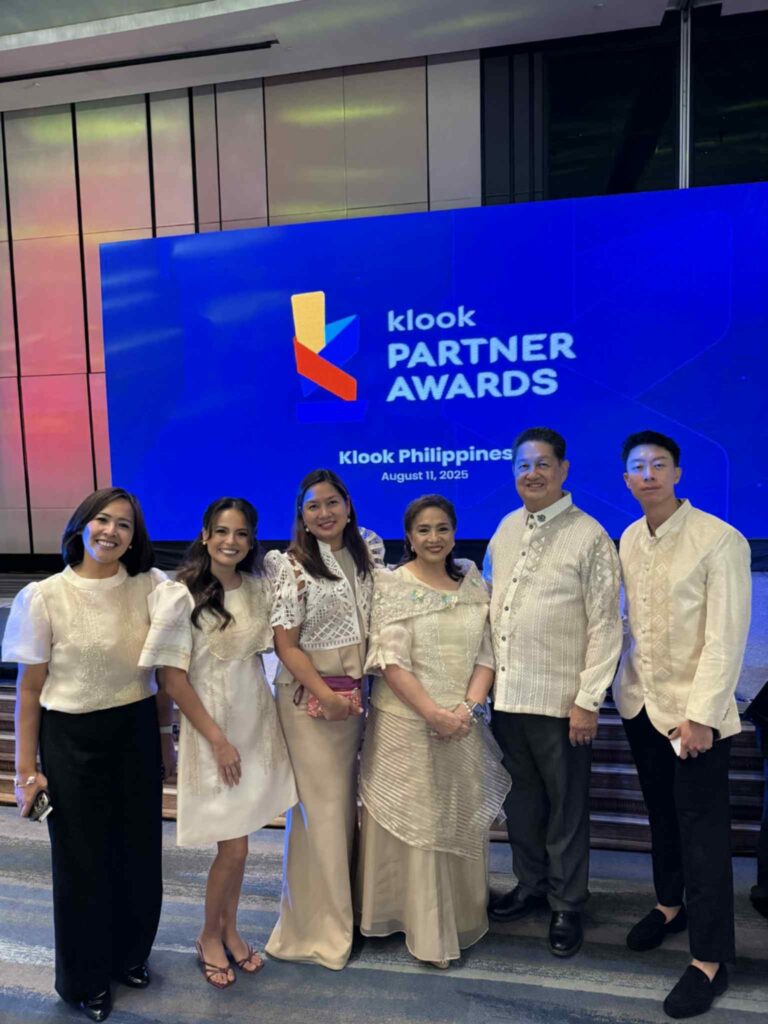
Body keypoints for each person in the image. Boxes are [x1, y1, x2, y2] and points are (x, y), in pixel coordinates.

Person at [2, 487, 173, 1023]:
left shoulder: (151, 585)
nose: (111, 532)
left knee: (138, 854)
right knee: (82, 864)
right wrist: (25, 772)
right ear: (81, 525)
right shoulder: (45, 596)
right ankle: (85, 981)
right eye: (103, 519)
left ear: (135, 537)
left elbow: (164, 672)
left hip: (135, 730)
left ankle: (129, 956)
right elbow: (30, 691)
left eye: (124, 524)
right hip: (71, 739)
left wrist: (164, 738)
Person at [614, 430, 752, 1019]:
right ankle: (671, 905)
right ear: (626, 480)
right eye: (637, 467)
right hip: (640, 704)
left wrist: (700, 717)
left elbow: (726, 638)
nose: (648, 475)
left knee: (703, 834)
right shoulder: (628, 537)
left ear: (677, 473)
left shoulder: (719, 539)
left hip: (695, 718)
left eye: (659, 465)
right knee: (662, 816)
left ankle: (711, 960)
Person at [138, 497, 297, 989]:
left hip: (255, 725)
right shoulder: (180, 595)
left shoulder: (257, 588)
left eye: (242, 533)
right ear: (205, 535)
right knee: (232, 848)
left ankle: (229, 928)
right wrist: (217, 740)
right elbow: (172, 679)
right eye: (222, 531)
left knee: (241, 844)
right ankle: (209, 934)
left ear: (251, 541)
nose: (232, 541)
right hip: (215, 732)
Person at [484, 427, 622, 957]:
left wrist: (588, 700)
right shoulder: (505, 528)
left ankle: (567, 903)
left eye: (543, 464)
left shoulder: (590, 535)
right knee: (521, 803)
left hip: (563, 704)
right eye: (523, 465)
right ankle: (531, 885)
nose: (532, 474)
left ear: (563, 470)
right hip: (507, 697)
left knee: (566, 808)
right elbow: (492, 603)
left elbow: (606, 624)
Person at [357, 495, 511, 967]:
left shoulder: (472, 581)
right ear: (409, 536)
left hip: (462, 724)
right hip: (407, 724)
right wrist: (434, 714)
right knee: (417, 820)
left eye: (442, 528)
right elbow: (391, 662)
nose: (433, 538)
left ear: (454, 532)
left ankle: (458, 916)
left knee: (456, 814)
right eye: (423, 530)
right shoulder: (392, 583)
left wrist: (467, 709)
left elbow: (487, 653)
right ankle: (417, 926)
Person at [264, 468, 384, 970]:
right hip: (309, 703)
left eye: (332, 502)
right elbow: (285, 646)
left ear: (348, 506)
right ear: (302, 515)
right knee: (323, 812)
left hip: (354, 698)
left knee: (341, 808)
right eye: (313, 505)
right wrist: (324, 696)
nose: (324, 512)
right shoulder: (288, 565)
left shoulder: (368, 550)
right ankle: (320, 932)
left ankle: (344, 912)